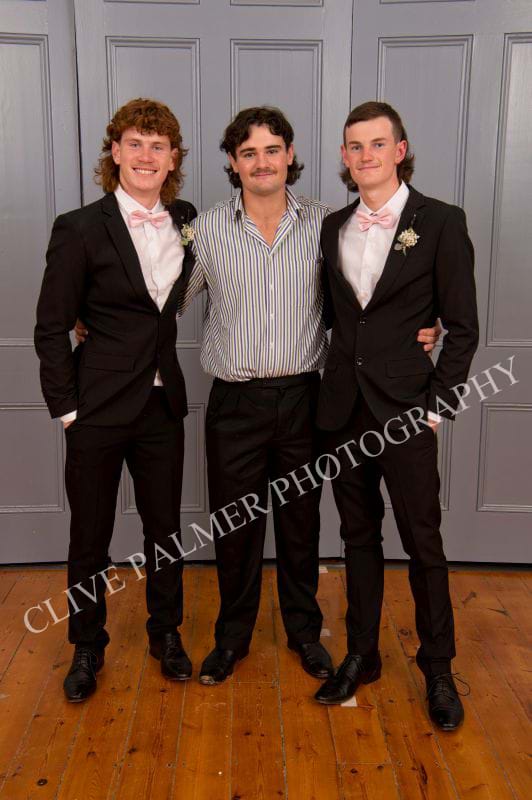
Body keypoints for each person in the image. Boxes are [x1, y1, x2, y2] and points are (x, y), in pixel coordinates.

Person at [175, 106, 441, 686]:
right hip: (234, 403)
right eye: (248, 153)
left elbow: (370, 300)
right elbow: (166, 300)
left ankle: (303, 632)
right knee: (235, 528)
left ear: (290, 155)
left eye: (272, 150)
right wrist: (96, 320)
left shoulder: (327, 224)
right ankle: (231, 638)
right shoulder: (208, 230)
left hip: (306, 399)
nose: (261, 162)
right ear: (233, 162)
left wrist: (428, 324)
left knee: (301, 526)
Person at [314, 101, 479, 731]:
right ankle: (362, 653)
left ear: (400, 150)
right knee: (357, 539)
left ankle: (438, 667)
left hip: (407, 410)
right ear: (344, 156)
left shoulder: (440, 221)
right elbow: (336, 317)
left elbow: (462, 327)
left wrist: (436, 407)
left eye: (377, 144)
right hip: (342, 410)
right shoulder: (332, 226)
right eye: (355, 146)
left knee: (422, 541)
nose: (366, 156)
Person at [34, 98, 196, 702]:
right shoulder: (79, 227)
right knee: (90, 537)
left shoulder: (187, 220)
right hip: (96, 409)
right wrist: (68, 411)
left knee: (166, 532)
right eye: (135, 143)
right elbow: (51, 327)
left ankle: (166, 634)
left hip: (161, 407)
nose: (146, 156)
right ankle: (86, 645)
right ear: (116, 153)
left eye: (158, 146)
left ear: (172, 158)